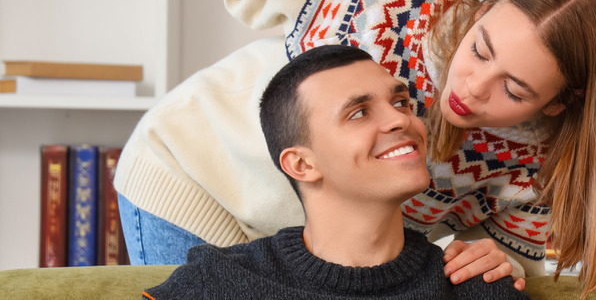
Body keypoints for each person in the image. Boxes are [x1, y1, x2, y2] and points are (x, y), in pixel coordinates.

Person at [117, 0, 596, 296]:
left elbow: (504, 259)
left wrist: (499, 262)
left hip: (313, 248)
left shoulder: (539, 164)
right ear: (482, 9)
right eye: (480, 51)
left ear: (557, 105)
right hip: (195, 175)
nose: (472, 87)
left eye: (514, 90)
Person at [143, 45, 531, 300]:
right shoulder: (219, 282)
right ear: (302, 164)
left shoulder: (477, 288)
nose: (400, 119)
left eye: (400, 102)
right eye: (359, 112)